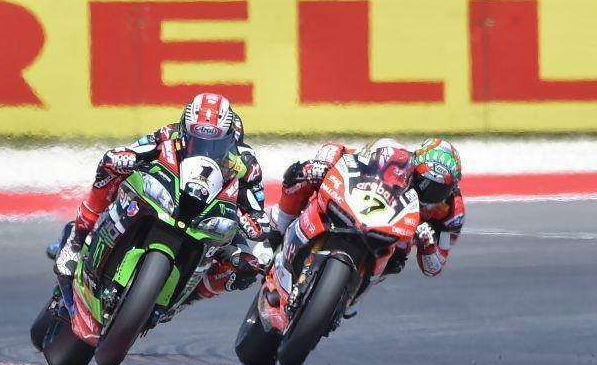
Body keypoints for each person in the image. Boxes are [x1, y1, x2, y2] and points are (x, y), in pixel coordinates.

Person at [54, 93, 270, 300]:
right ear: (185, 129)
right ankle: (77, 239)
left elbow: (256, 210)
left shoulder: (246, 163)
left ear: (231, 138)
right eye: (197, 138)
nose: (206, 147)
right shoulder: (170, 133)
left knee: (247, 267)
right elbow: (134, 149)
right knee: (110, 166)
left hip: (215, 216)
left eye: (216, 142)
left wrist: (255, 222)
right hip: (172, 195)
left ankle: (188, 297)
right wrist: (125, 158)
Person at [269, 137, 464, 280]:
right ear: (415, 167)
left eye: (439, 190)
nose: (427, 193)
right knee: (302, 176)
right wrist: (323, 164)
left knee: (397, 261)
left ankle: (353, 294)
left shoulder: (452, 211)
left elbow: (435, 267)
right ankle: (275, 233)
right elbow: (341, 152)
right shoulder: (396, 158)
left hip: (395, 237)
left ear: (452, 189)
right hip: (365, 207)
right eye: (423, 182)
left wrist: (428, 246)